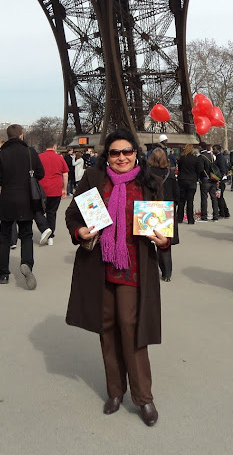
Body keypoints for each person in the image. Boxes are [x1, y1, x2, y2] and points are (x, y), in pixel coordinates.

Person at [65, 128, 168, 426]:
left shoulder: (150, 182)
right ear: (106, 156)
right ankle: (114, 390)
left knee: (130, 326)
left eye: (127, 151)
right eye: (115, 152)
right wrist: (79, 231)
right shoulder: (94, 181)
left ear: (136, 153)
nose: (121, 157)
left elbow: (165, 230)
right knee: (106, 326)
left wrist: (164, 241)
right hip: (99, 264)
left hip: (134, 267)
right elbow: (74, 214)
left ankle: (143, 397)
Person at [0, 124, 45, 288]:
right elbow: (41, 174)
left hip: (7, 199)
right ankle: (27, 264)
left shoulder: (2, 155)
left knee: (5, 236)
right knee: (27, 235)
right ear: (22, 136)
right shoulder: (30, 152)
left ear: (8, 137)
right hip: (26, 199)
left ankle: (3, 274)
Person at [147, 147, 179, 281]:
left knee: (147, 241)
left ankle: (149, 270)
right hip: (166, 208)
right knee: (164, 243)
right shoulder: (169, 174)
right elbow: (176, 194)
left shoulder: (146, 173)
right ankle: (166, 273)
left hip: (150, 208)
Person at [36, 141, 68, 245]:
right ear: (55, 146)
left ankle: (44, 229)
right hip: (55, 189)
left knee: (38, 211)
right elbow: (65, 174)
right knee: (52, 213)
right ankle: (50, 236)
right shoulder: (59, 158)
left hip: (41, 189)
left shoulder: (39, 157)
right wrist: (64, 188)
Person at [176, 144, 203, 224]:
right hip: (192, 180)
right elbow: (200, 169)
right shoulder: (195, 159)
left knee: (181, 200)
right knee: (190, 201)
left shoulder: (181, 158)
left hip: (182, 180)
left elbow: (179, 168)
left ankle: (179, 218)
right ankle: (190, 219)